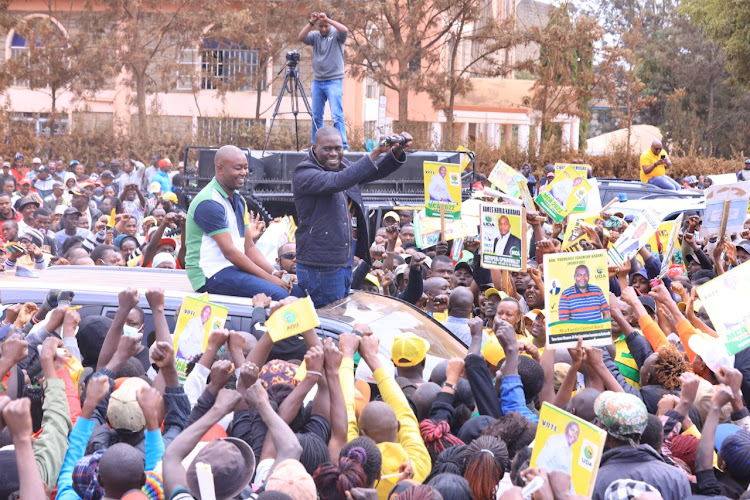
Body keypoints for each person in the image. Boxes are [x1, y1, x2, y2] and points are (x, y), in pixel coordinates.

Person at [293, 126, 412, 308]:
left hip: (342, 265)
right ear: (314, 148)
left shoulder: (343, 167)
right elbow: (338, 181)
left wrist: (396, 150)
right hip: (321, 268)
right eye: (327, 149)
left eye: (338, 148)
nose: (334, 153)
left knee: (338, 319)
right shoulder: (304, 172)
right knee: (327, 322)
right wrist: (377, 150)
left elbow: (373, 170)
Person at [186, 145, 298, 300]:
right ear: (220, 169)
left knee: (296, 291)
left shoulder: (239, 200)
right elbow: (230, 252)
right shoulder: (209, 201)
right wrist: (270, 279)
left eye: (246, 168)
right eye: (238, 168)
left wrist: (273, 272)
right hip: (210, 274)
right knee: (281, 295)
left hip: (233, 269)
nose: (244, 173)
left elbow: (249, 247)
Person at [298, 12, 349, 149]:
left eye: (325, 26)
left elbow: (345, 30)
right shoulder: (315, 36)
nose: (323, 29)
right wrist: (311, 22)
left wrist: (328, 21)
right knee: (316, 116)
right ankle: (315, 145)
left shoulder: (337, 35)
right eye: (321, 26)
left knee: (336, 115)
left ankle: (342, 144)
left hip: (334, 81)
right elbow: (301, 37)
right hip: (318, 81)